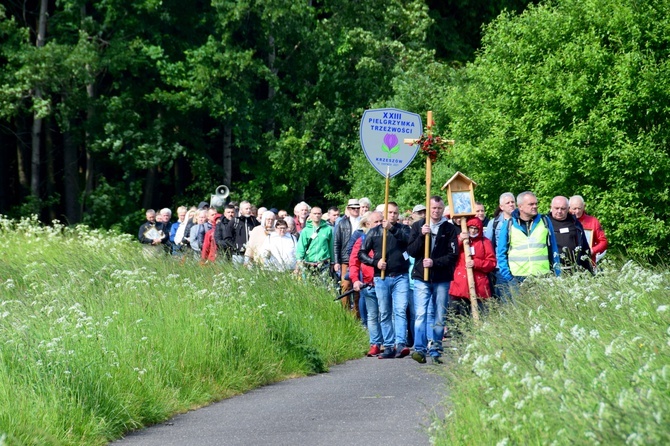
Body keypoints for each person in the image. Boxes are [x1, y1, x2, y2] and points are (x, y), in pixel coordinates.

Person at [407, 196, 459, 364]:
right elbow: (412, 252)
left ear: (443, 210)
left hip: (441, 278)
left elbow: (453, 255)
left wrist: (435, 262)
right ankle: (420, 349)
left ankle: (436, 348)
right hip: (422, 277)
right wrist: (422, 236)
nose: (436, 211)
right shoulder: (418, 226)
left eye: (439, 208)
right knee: (421, 314)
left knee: (439, 314)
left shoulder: (449, 229)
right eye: (433, 208)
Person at [359, 203, 410, 359]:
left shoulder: (403, 229)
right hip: (381, 277)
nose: (393, 215)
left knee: (400, 310)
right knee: (385, 312)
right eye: (390, 212)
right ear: (384, 214)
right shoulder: (374, 232)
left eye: (395, 213)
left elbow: (409, 242)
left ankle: (400, 344)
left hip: (400, 276)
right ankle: (388, 346)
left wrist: (392, 229)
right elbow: (361, 253)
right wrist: (375, 263)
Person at [497, 191, 560, 291]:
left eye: (536, 203)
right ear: (520, 206)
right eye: (531, 204)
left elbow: (553, 249)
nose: (535, 206)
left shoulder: (545, 221)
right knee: (520, 307)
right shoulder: (509, 224)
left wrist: (557, 273)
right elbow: (501, 253)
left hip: (542, 276)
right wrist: (509, 277)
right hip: (517, 278)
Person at [448, 217, 496, 326]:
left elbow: (492, 263)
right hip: (460, 286)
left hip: (479, 286)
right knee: (459, 319)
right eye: (471, 228)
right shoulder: (459, 240)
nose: (473, 231)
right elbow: (451, 253)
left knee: (481, 317)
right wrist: (460, 240)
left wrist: (477, 263)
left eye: (476, 229)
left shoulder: (485, 242)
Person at [348, 212, 383, 356]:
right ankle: (375, 343)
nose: (380, 224)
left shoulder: (388, 238)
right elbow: (354, 262)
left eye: (381, 221)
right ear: (368, 224)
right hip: (369, 284)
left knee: (386, 314)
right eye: (376, 222)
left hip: (386, 282)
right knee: (372, 315)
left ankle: (389, 342)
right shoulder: (361, 240)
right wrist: (355, 279)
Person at [548, 196, 593, 273]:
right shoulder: (545, 223)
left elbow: (584, 247)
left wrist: (589, 270)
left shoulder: (575, 223)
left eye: (563, 209)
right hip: (554, 270)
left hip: (575, 269)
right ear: (551, 207)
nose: (559, 211)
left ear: (568, 209)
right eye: (556, 208)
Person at [484, 192, 516, 299]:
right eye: (508, 203)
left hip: (519, 266)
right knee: (505, 299)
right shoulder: (494, 223)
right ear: (501, 207)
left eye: (513, 202)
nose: (511, 204)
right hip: (501, 268)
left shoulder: (521, 221)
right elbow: (488, 245)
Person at [333, 199, 362, 313]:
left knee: (359, 288)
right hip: (345, 259)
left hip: (360, 259)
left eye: (357, 208)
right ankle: (345, 313)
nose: (356, 210)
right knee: (345, 286)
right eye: (353, 208)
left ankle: (357, 315)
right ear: (348, 209)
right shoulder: (342, 223)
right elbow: (337, 243)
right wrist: (336, 261)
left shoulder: (363, 222)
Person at [295, 206, 335, 279]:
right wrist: (299, 260)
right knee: (308, 287)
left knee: (324, 287)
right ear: (310, 215)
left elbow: (331, 246)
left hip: (323, 263)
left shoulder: (328, 229)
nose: (317, 215)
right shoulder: (305, 230)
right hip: (308, 263)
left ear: (321, 215)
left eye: (319, 213)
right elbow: (301, 247)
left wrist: (332, 261)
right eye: (314, 213)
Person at [569, 195, 608, 264]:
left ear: (584, 206)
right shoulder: (564, 222)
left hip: (588, 262)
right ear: (569, 208)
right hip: (569, 261)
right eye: (574, 209)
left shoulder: (593, 221)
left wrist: (592, 250)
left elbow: (603, 242)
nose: (577, 211)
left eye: (579, 208)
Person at [223, 200, 260, 265]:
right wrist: (236, 247)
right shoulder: (235, 221)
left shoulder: (254, 221)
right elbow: (227, 237)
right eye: (246, 209)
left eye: (250, 208)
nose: (249, 210)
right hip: (238, 255)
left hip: (251, 255)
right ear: (241, 210)